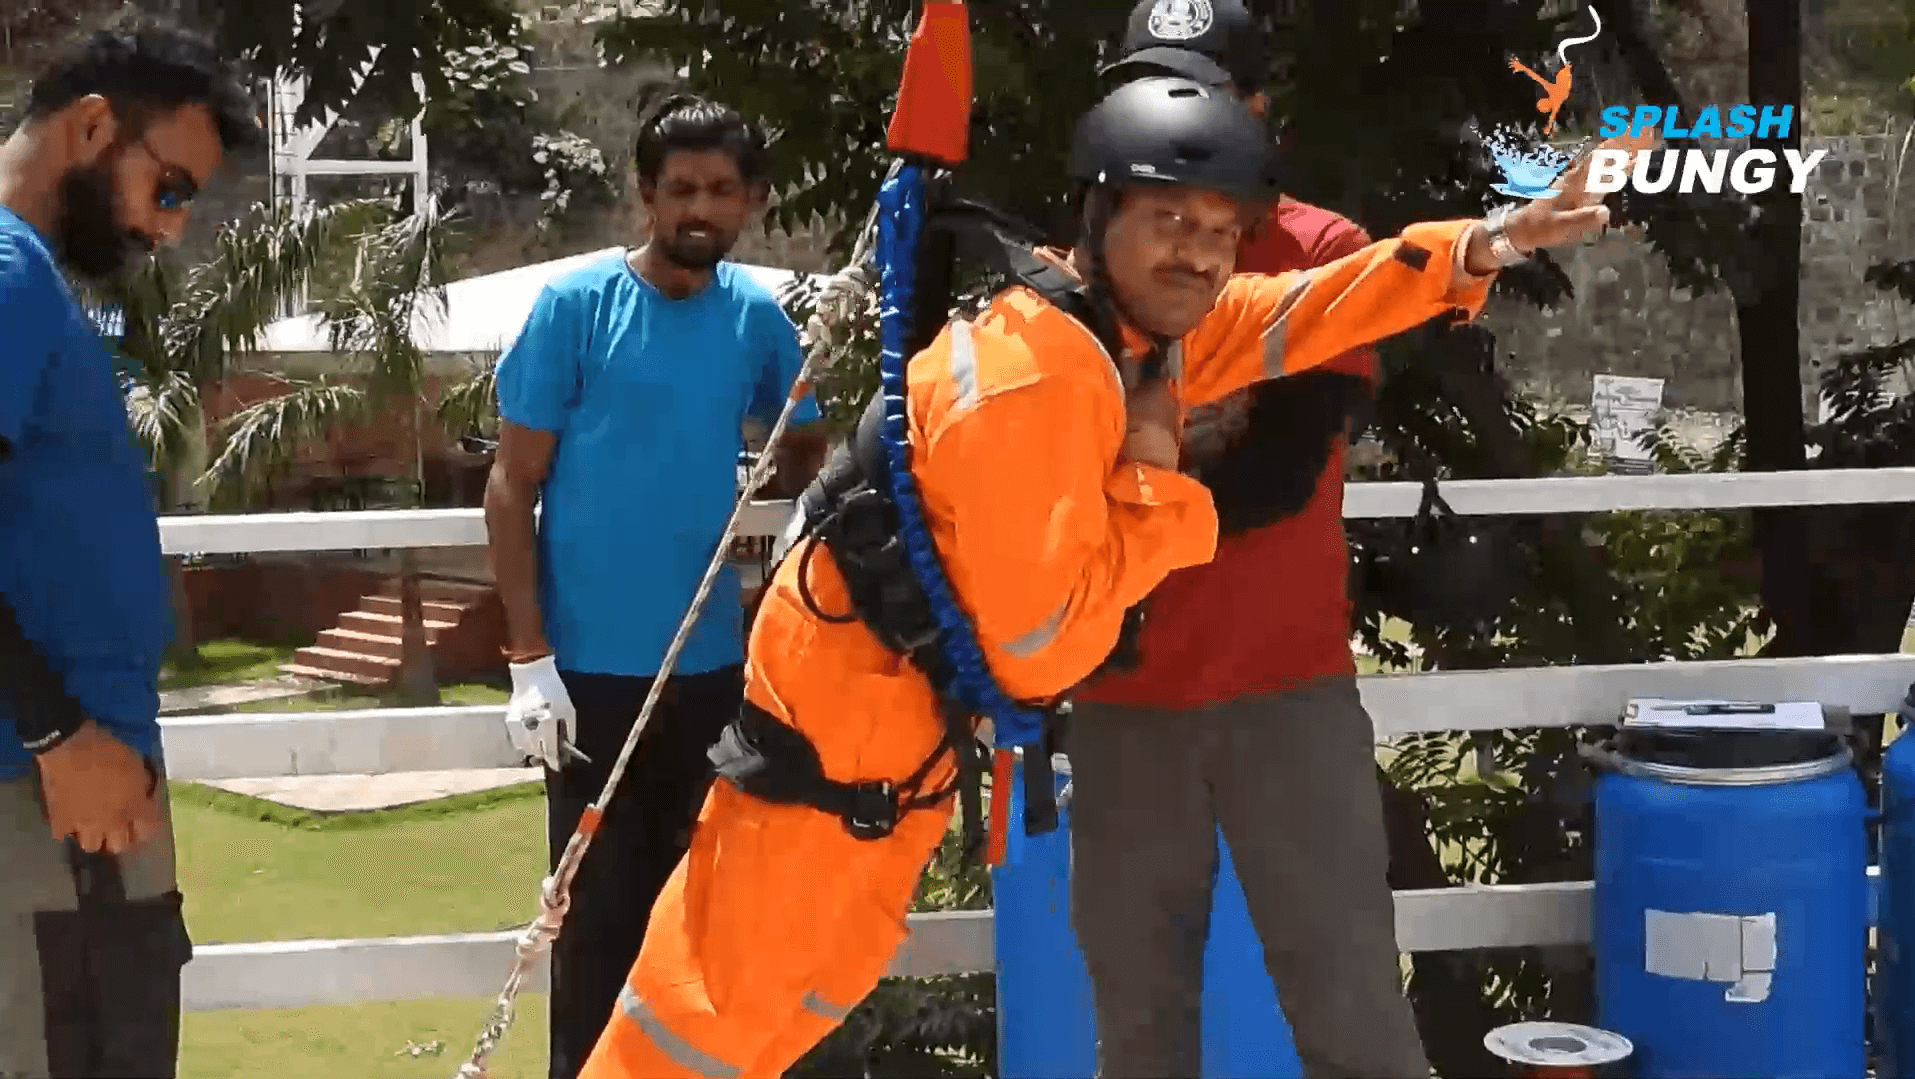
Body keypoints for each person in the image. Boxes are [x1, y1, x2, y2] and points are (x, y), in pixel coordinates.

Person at [580, 74, 1613, 1079]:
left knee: (782, 1009)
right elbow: (1040, 649)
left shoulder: (1118, 331)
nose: (1198, 254)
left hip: (883, 754)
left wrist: (1489, 241)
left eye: (1220, 232)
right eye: (1171, 222)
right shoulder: (1036, 380)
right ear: (1100, 214)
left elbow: (1303, 309)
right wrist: (1158, 483)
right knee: (699, 1027)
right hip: (831, 760)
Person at [1066, 3, 1429, 1076]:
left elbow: (1282, 471)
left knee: (1352, 1013)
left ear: (1259, 110)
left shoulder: (1322, 252)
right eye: (1149, 86)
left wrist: (1129, 485)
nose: (1173, 112)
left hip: (1284, 690)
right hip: (1122, 698)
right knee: (1137, 1026)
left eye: (1205, 89)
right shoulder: (1083, 265)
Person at [483, 94, 829, 1079]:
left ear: (750, 200)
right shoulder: (574, 307)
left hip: (712, 675)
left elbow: (805, 447)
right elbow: (510, 485)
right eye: (680, 188)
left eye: (720, 190)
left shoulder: (756, 319)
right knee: (592, 933)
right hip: (585, 684)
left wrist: (775, 530)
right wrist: (528, 660)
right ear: (646, 194)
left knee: (703, 933)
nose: (699, 208)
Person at [0, 15, 258, 1079]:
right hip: (46, 805)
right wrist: (59, 732)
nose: (171, 228)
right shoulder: (7, 274)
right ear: (95, 127)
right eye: (171, 187)